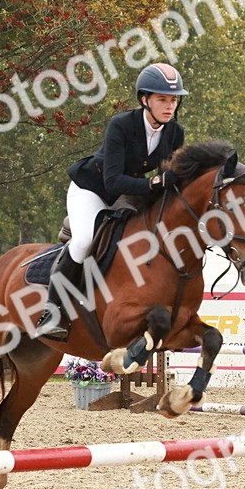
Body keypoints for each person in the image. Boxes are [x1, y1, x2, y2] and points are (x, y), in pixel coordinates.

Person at [36, 62, 189, 340]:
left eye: (174, 100)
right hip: (92, 189)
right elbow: (113, 181)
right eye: (163, 99)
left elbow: (170, 175)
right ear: (145, 100)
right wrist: (153, 183)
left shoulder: (174, 132)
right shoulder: (121, 124)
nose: (170, 106)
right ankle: (52, 311)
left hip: (128, 194)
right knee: (83, 241)